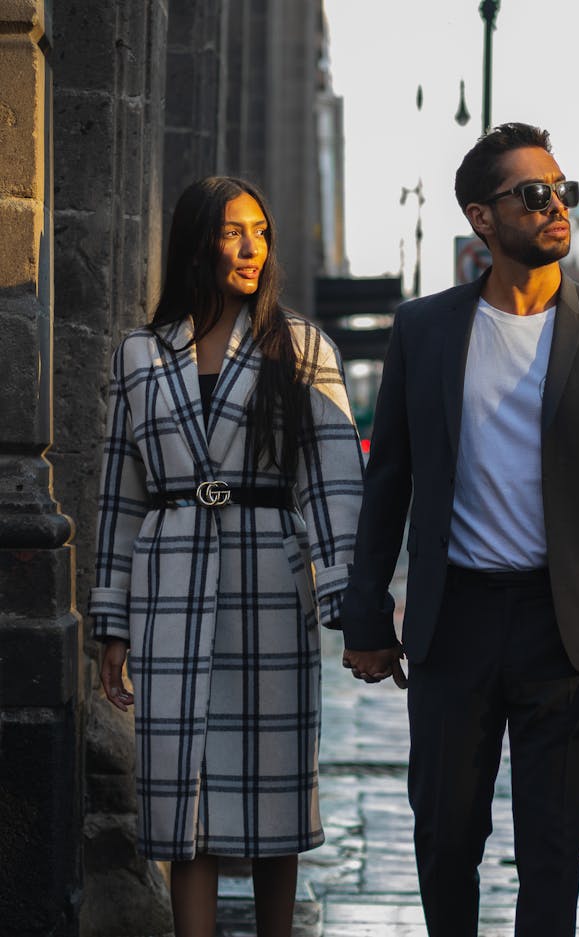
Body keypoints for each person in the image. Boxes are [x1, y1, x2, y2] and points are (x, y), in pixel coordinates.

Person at [341, 123, 579, 937]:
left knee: (554, 853)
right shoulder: (424, 330)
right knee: (445, 837)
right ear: (481, 218)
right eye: (533, 194)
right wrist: (364, 613)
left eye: (562, 190)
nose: (555, 205)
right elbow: (389, 480)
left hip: (569, 633)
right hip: (454, 622)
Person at [90, 176, 363, 937]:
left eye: (262, 233)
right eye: (234, 232)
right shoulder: (140, 355)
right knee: (183, 792)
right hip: (169, 579)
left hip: (270, 581)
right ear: (197, 240)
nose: (252, 248)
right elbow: (120, 495)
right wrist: (111, 620)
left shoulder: (301, 346)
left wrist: (350, 606)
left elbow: (335, 481)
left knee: (274, 786)